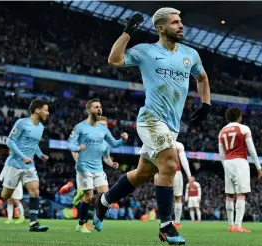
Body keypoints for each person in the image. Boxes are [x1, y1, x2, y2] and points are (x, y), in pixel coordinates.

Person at [94, 7, 211, 245]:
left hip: (172, 125)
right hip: (150, 119)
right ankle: (166, 225)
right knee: (170, 161)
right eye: (175, 22)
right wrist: (128, 31)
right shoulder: (147, 51)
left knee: (142, 174)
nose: (181, 25)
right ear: (161, 28)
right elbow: (114, 59)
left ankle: (103, 201)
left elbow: (202, 78)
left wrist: (206, 103)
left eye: (181, 21)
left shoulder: (190, 54)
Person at [0, 99, 50, 232]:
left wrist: (40, 155)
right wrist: (23, 157)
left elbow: (34, 144)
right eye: (45, 110)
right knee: (6, 195)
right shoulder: (22, 123)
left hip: (29, 166)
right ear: (37, 110)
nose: (48, 113)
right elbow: (10, 141)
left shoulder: (41, 127)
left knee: (35, 191)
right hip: (15, 164)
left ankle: (33, 223)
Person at [68, 99, 128, 233]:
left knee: (106, 197)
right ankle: (81, 224)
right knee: (89, 197)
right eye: (96, 107)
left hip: (98, 168)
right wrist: (78, 148)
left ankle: (96, 216)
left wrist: (123, 140)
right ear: (89, 110)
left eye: (100, 106)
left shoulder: (104, 132)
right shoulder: (80, 127)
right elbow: (70, 144)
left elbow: (114, 145)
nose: (99, 108)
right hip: (84, 167)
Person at [218, 107, 262, 233]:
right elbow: (252, 149)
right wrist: (258, 167)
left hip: (227, 162)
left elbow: (221, 153)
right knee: (241, 194)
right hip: (240, 162)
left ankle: (231, 225)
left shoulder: (222, 131)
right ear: (239, 116)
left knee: (229, 195)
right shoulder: (244, 128)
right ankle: (238, 226)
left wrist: (225, 165)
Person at [154, 141, 192, 229]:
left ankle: (166, 221)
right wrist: (189, 175)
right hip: (176, 172)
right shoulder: (178, 145)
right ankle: (177, 222)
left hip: (163, 172)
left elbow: (155, 160)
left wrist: (155, 174)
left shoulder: (159, 143)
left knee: (165, 197)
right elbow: (183, 160)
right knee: (177, 197)